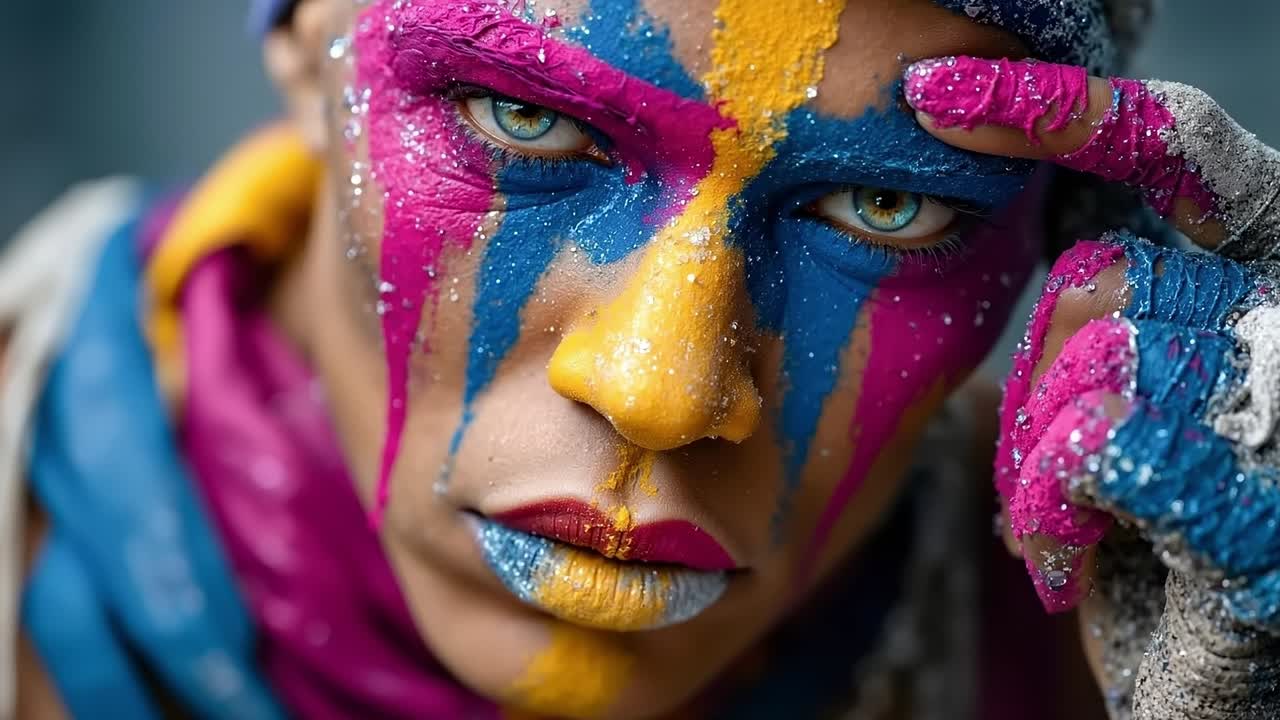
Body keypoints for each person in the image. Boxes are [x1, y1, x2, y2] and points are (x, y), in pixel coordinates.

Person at [2, 0, 1277, 718]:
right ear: (298, 42)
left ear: (1053, 234)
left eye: (891, 208)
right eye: (525, 119)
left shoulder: (1108, 631)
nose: (661, 394)